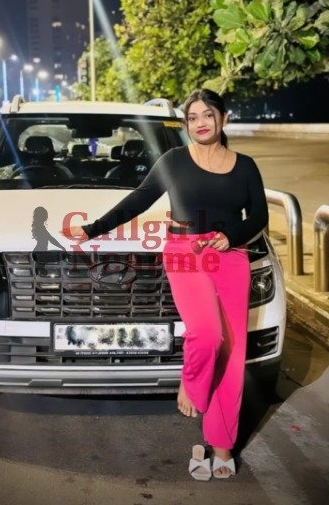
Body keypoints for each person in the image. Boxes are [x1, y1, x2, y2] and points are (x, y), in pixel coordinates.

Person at [69, 89, 269, 481]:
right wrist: (92, 229)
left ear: (224, 119)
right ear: (186, 124)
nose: (200, 123)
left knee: (232, 351)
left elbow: (258, 215)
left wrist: (232, 237)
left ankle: (222, 445)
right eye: (192, 117)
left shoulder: (245, 166)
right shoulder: (174, 160)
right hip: (185, 252)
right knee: (207, 334)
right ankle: (191, 384)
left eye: (207, 115)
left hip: (231, 257)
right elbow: (139, 201)